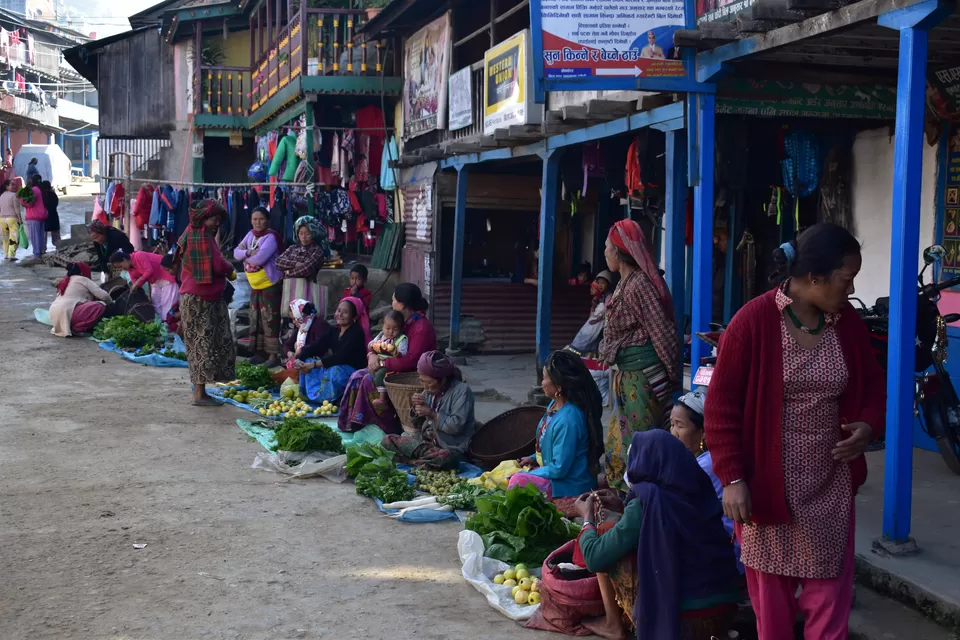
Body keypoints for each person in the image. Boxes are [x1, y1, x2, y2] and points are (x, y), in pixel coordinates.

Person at [704, 223, 885, 640]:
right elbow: (720, 408)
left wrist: (867, 425)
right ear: (814, 277)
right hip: (767, 490)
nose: (851, 288)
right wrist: (732, 478)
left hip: (830, 487)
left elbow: (874, 385)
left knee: (829, 604)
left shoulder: (848, 323)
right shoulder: (753, 321)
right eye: (847, 279)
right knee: (773, 610)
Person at [574, 430, 742, 640]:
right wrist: (624, 507)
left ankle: (615, 623)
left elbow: (594, 558)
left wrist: (587, 517)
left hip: (686, 616)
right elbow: (665, 520)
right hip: (725, 607)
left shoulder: (647, 500)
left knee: (607, 531)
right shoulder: (698, 488)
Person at [599, 219, 681, 492]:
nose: (605, 252)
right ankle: (626, 495)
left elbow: (662, 331)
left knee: (641, 442)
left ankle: (644, 500)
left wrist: (672, 376)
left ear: (619, 252)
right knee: (620, 441)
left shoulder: (639, 286)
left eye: (608, 247)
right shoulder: (623, 284)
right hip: (625, 377)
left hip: (642, 379)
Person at [338, 283, 437, 433]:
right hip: (391, 365)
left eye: (393, 300)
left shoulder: (421, 327)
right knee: (356, 376)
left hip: (410, 372)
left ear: (402, 304)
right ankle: (353, 423)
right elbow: (378, 343)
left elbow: (411, 361)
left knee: (365, 380)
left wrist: (382, 362)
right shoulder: (401, 321)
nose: (392, 303)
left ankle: (384, 427)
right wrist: (371, 355)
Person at [508, 350, 604, 506]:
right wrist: (532, 458)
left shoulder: (568, 420)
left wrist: (531, 472)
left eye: (545, 378)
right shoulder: (554, 405)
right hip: (555, 471)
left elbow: (559, 469)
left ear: (558, 387)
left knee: (518, 481)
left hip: (570, 483)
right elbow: (549, 442)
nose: (542, 383)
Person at [669, 389, 742, 574]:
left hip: (724, 551)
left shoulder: (707, 464)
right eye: (671, 425)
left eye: (680, 426)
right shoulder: (696, 458)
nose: (673, 433)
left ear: (702, 431)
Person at [175, 200, 237, 407]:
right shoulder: (201, 237)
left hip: (194, 298)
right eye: (213, 219)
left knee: (198, 345)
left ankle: (200, 392)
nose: (216, 224)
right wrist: (229, 268)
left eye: (219, 220)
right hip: (200, 300)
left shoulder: (191, 233)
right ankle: (199, 395)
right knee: (203, 344)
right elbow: (217, 264)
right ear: (203, 218)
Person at [381, 351, 476, 470]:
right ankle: (418, 463)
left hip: (450, 449)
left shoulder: (462, 392)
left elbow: (455, 426)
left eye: (429, 383)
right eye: (422, 381)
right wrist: (416, 408)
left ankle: (415, 462)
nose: (425, 387)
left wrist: (431, 413)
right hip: (427, 446)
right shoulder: (428, 392)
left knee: (447, 458)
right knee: (387, 440)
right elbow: (416, 424)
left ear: (443, 380)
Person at [296, 298, 370, 404]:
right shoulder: (334, 331)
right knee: (307, 361)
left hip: (351, 371)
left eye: (345, 312)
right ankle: (313, 395)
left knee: (334, 370)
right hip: (335, 366)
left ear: (354, 317)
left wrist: (314, 365)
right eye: (339, 310)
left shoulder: (356, 332)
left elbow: (340, 356)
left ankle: (336, 398)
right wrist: (299, 359)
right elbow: (316, 346)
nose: (340, 314)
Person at [234, 207, 283, 367]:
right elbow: (236, 253)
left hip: (270, 284)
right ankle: (258, 353)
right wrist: (249, 253)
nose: (257, 222)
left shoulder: (271, 237)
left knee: (270, 317)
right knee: (256, 317)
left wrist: (246, 256)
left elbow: (260, 259)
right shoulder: (250, 235)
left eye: (261, 219)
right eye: (254, 219)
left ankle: (272, 355)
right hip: (255, 284)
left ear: (267, 220)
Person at [565, 270, 615, 402]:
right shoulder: (601, 297)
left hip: (603, 328)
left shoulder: (609, 296)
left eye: (603, 283)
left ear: (608, 284)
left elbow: (607, 312)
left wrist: (599, 317)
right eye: (598, 283)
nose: (600, 285)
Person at [109, 249, 180, 322]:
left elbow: (149, 271)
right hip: (156, 281)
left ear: (124, 260)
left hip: (166, 277)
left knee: (167, 304)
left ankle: (169, 325)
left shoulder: (138, 255)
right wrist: (134, 287)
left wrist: (137, 283)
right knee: (155, 304)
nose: (122, 269)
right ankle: (161, 324)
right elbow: (135, 281)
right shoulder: (130, 269)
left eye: (121, 266)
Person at [275, 215, 328, 311]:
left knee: (305, 317)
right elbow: (278, 262)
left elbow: (306, 269)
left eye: (307, 234)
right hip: (288, 289)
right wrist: (295, 264)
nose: (304, 237)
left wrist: (287, 272)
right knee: (289, 316)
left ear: (314, 233)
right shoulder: (292, 248)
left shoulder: (317, 251)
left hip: (307, 289)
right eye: (301, 233)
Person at [49, 262, 113, 337]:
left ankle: (70, 326)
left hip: (54, 313)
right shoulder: (83, 279)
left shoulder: (65, 281)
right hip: (68, 313)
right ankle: (77, 328)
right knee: (99, 306)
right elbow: (104, 296)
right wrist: (111, 304)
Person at [370, 309, 409, 409]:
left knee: (379, 375)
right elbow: (370, 344)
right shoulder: (381, 336)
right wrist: (373, 346)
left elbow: (404, 354)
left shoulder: (402, 339)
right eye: (387, 328)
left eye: (395, 329)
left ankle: (382, 399)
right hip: (378, 361)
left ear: (400, 329)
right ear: (382, 326)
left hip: (390, 365)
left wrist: (397, 353)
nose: (390, 332)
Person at [283, 299, 331, 368]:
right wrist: (289, 353)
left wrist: (301, 350)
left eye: (294, 318)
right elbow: (287, 345)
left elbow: (319, 347)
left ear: (300, 316)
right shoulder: (302, 327)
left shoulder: (320, 325)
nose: (293, 322)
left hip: (319, 364)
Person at [21, 174, 47, 258]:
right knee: (40, 235)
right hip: (41, 215)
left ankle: (37, 253)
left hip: (33, 216)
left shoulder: (32, 190)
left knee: (35, 236)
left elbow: (29, 204)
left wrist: (21, 200)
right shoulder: (39, 189)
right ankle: (42, 251)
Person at [0, 179, 21, 260]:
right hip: (12, 219)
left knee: (5, 238)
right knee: (14, 237)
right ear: (6, 186)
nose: (14, 186)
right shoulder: (14, 195)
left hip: (2, 219)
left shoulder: (1, 196)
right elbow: (17, 209)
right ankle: (11, 255)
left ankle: (6, 254)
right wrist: (20, 219)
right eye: (11, 184)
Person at [40, 180, 60, 248]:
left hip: (44, 216)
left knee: (43, 234)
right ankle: (58, 247)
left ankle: (43, 249)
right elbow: (56, 204)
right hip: (53, 216)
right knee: (56, 234)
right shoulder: (53, 194)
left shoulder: (41, 195)